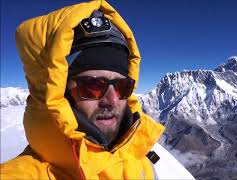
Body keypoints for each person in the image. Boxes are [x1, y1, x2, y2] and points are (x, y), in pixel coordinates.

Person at [0, 0, 194, 179]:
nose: (112, 100)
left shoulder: (136, 155)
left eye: (122, 87)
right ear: (59, 93)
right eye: (92, 86)